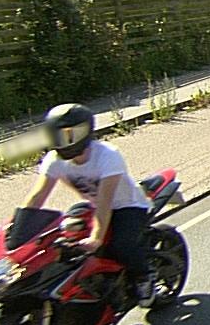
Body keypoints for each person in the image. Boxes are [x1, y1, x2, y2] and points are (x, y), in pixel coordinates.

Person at [19, 103, 156, 306]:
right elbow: (37, 196)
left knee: (122, 245)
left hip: (128, 206)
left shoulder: (107, 155)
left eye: (69, 135)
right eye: (57, 136)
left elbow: (105, 201)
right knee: (63, 239)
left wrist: (96, 238)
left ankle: (144, 278)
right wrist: (18, 231)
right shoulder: (54, 160)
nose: (63, 142)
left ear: (84, 133)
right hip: (93, 205)